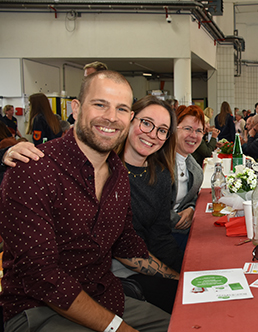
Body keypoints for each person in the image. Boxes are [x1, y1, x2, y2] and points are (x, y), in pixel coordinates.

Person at [0, 70, 172, 331]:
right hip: (38, 310)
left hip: (103, 296)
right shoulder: (33, 169)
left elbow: (126, 244)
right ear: (76, 109)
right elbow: (42, 277)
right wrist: (118, 328)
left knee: (182, 324)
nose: (112, 117)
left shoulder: (117, 173)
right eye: (100, 104)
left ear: (129, 118)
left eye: (122, 109)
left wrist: (181, 279)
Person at [113, 95, 182, 314]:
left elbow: (160, 235)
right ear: (131, 119)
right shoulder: (106, 171)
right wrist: (177, 277)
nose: (152, 134)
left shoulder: (160, 174)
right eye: (146, 123)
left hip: (149, 260)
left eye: (162, 130)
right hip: (115, 271)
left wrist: (187, 267)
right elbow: (122, 250)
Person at [171, 105, 205, 250]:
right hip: (159, 237)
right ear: (174, 129)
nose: (194, 135)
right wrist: (178, 219)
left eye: (199, 131)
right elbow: (150, 210)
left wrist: (191, 208)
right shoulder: (158, 162)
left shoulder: (194, 167)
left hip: (180, 231)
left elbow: (193, 197)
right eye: (188, 129)